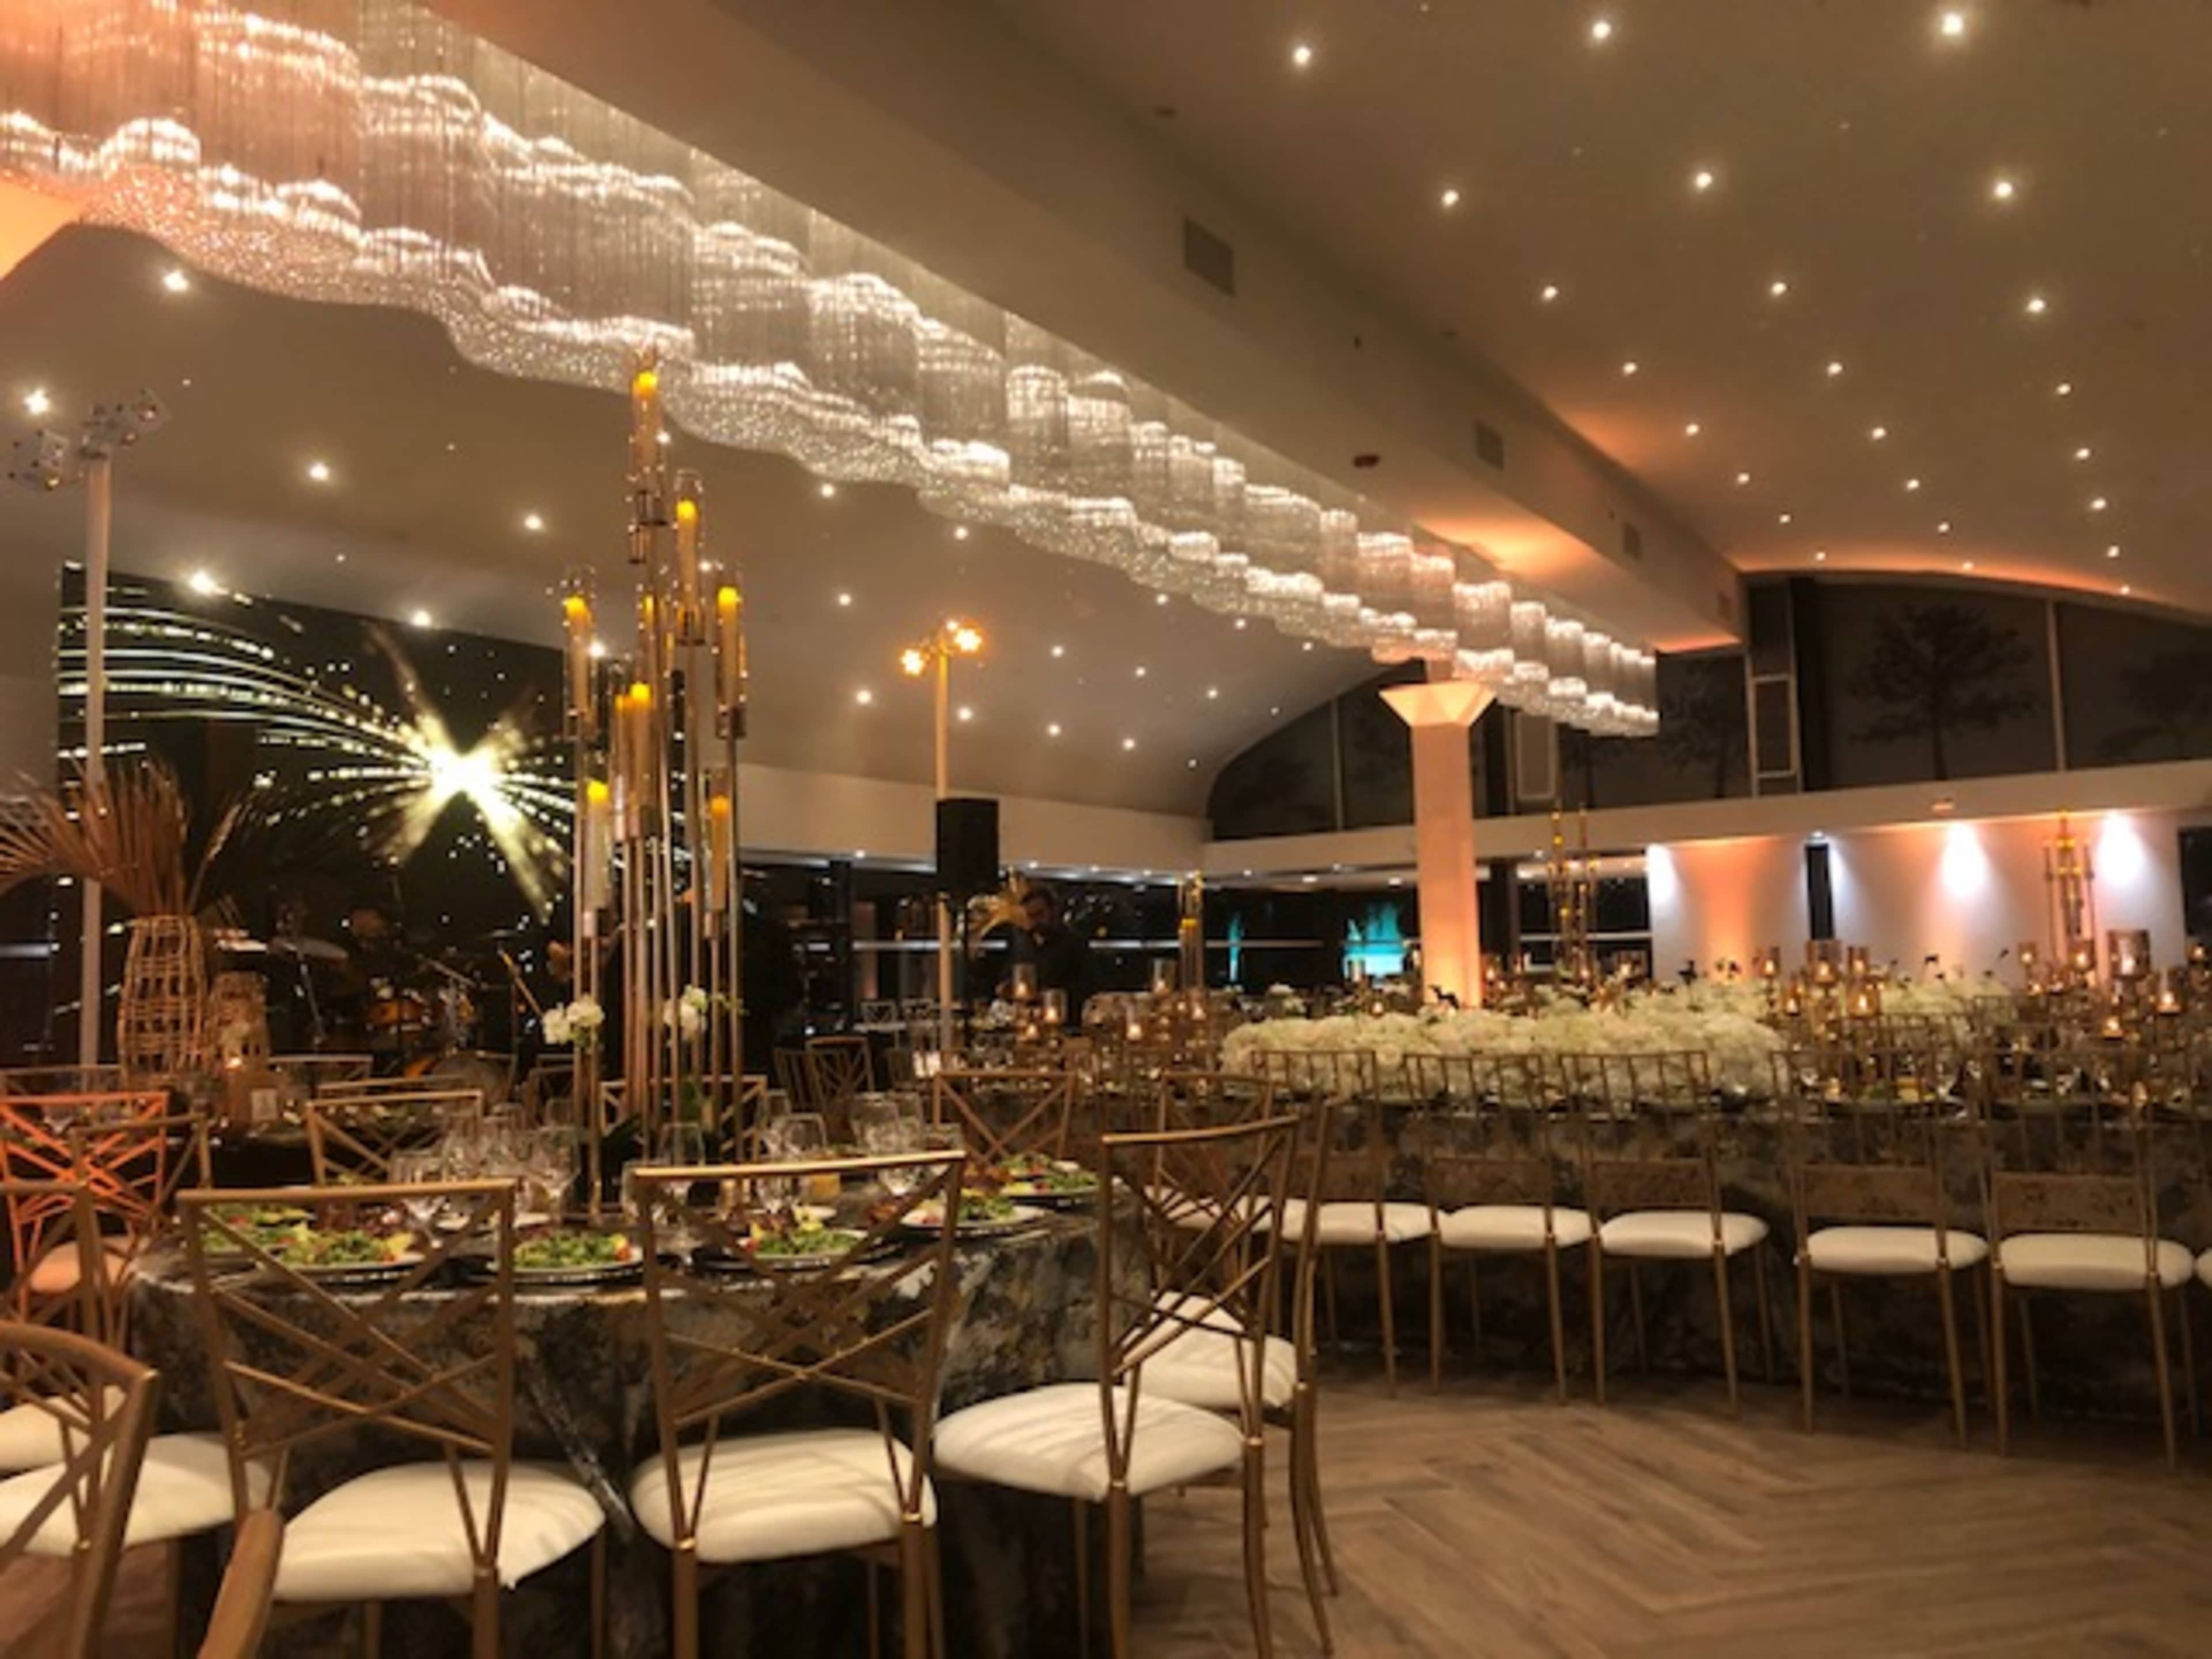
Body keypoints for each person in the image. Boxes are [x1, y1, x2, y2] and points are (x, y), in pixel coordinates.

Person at [1014, 885, 1091, 1023]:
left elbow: (1087, 985)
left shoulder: (1074, 942)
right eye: (1031, 917)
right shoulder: (1024, 942)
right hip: (1031, 1019)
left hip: (1066, 1021)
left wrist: (1051, 996)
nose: (1036, 921)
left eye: (1040, 914)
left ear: (1054, 911)